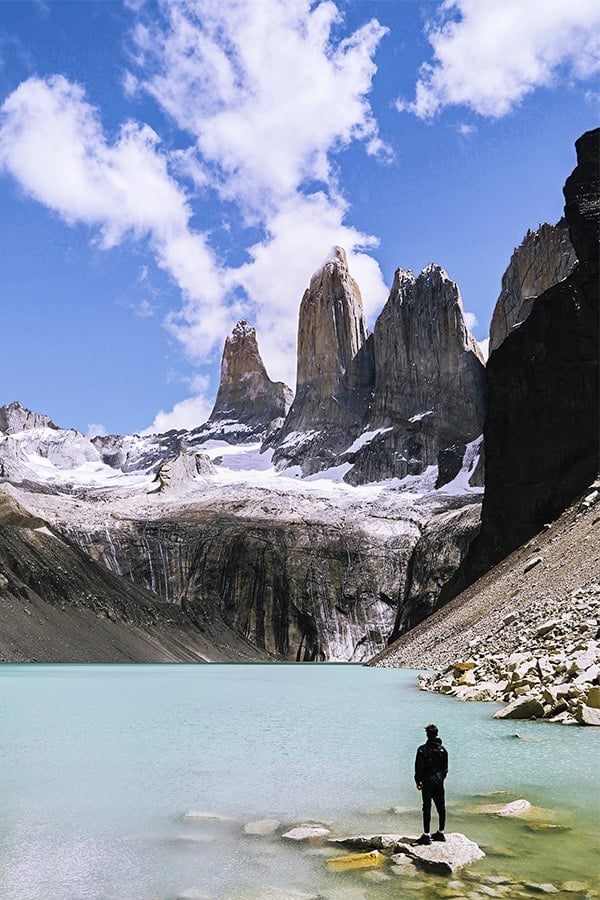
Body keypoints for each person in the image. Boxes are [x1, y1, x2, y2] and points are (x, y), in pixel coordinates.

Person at [414, 723, 448, 845]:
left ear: (427, 735)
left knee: (427, 808)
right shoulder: (443, 750)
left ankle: (426, 835)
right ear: (437, 734)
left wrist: (418, 781)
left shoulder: (422, 749)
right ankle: (441, 832)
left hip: (428, 782)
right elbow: (445, 769)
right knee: (441, 807)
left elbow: (419, 768)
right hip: (439, 782)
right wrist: (441, 779)